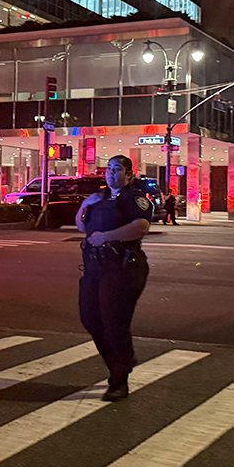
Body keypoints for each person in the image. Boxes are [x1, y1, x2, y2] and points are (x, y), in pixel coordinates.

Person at [74, 155, 152, 402]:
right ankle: (124, 361)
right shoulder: (99, 198)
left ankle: (119, 380)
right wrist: (86, 203)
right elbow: (80, 225)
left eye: (117, 169)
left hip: (122, 268)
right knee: (91, 319)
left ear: (129, 174)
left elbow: (141, 226)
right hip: (94, 267)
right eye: (108, 169)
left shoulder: (133, 197)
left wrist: (106, 237)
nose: (110, 174)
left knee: (114, 324)